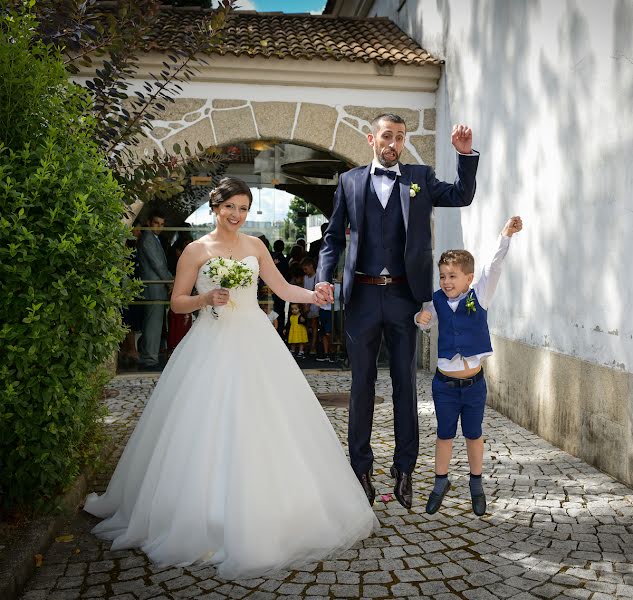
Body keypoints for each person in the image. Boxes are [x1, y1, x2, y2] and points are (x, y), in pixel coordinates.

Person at [84, 177, 377, 579]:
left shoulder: (256, 246)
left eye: (243, 208)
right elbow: (176, 302)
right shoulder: (195, 249)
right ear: (214, 207)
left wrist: (314, 296)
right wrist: (205, 299)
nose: (237, 215)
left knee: (269, 419)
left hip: (256, 339)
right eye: (230, 207)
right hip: (210, 340)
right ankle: (203, 514)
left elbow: (283, 287)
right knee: (205, 422)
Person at [316, 113, 479, 509]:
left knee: (406, 386)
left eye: (400, 137)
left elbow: (461, 195)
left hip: (406, 298)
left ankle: (404, 470)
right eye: (387, 136)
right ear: (372, 139)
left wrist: (465, 156)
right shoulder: (350, 181)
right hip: (363, 299)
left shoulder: (419, 177)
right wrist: (324, 277)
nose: (393, 143)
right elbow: (333, 237)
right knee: (362, 386)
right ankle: (361, 470)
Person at [415, 216, 523, 516]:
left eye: (453, 276)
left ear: (468, 278)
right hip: (444, 385)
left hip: (474, 385)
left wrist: (505, 236)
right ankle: (440, 481)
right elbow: (426, 321)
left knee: (474, 434)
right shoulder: (436, 301)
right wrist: (419, 320)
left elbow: (495, 266)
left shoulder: (481, 295)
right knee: (444, 434)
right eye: (443, 276)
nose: (447, 282)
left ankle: (476, 483)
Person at [137, 209, 173, 370]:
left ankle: (148, 356)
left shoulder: (153, 238)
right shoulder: (148, 239)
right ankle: (150, 359)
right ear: (149, 222)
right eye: (156, 223)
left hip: (155, 287)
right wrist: (170, 281)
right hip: (154, 287)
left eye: (162, 225)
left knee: (152, 323)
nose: (159, 227)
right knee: (153, 324)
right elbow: (158, 265)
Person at [301, 256, 319, 356]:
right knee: (307, 325)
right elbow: (304, 290)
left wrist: (308, 305)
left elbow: (314, 290)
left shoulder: (317, 277)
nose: (305, 271)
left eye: (305, 269)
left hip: (314, 304)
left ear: (311, 266)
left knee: (314, 325)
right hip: (306, 304)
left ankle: (313, 346)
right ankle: (308, 344)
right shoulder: (305, 277)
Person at [271, 239, 289, 336]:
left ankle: (273, 332)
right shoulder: (284, 261)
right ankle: (280, 332)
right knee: (280, 312)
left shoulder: (270, 258)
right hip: (282, 289)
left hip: (271, 289)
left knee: (271, 311)